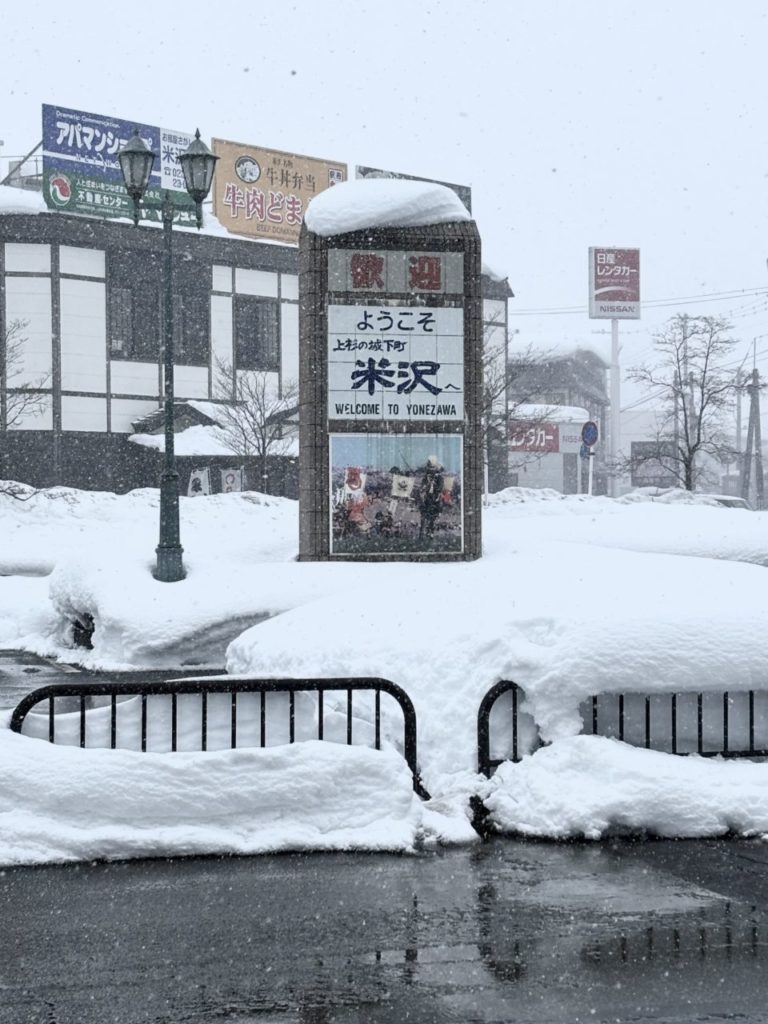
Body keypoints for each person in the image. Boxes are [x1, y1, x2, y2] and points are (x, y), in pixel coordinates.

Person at [417, 455, 444, 540]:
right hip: (426, 496)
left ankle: (430, 532)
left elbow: (440, 488)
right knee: (423, 514)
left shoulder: (439, 477)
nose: (431, 471)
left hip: (434, 497)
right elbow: (422, 485)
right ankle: (421, 533)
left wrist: (433, 485)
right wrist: (424, 487)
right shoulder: (426, 477)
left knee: (433, 515)